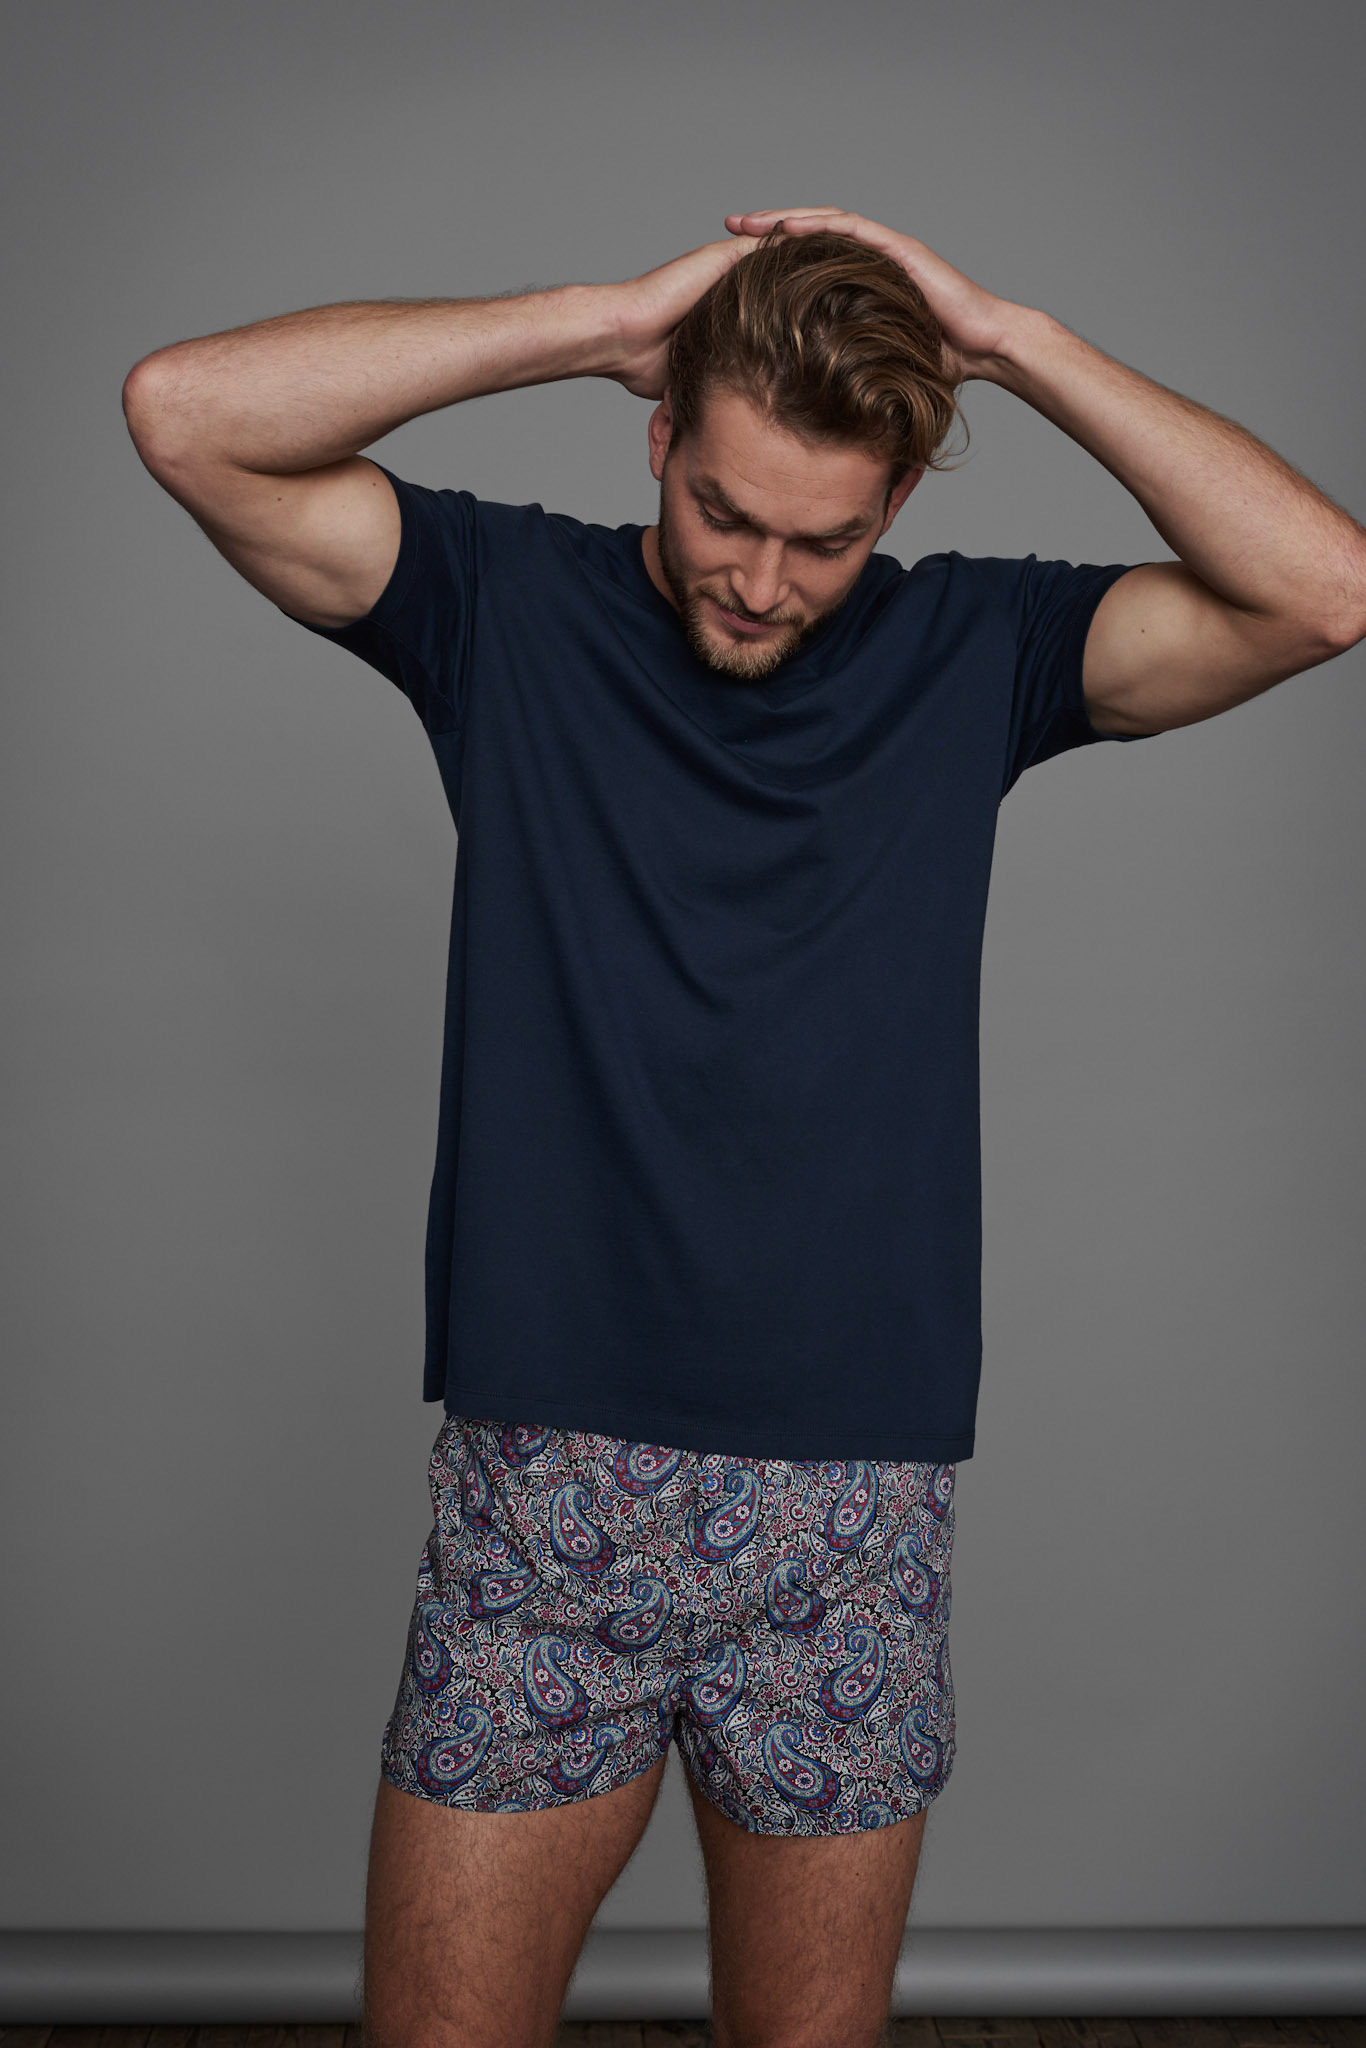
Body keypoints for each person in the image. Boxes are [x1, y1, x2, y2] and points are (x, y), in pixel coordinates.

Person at [122, 205, 1366, 2048]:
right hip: (546, 1495)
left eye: (825, 540)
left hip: (848, 1511)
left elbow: (1322, 591)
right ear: (658, 437)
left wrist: (1006, 339)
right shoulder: (499, 603)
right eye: (724, 513)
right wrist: (597, 317)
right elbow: (185, 412)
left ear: (896, 505)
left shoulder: (981, 646)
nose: (764, 582)